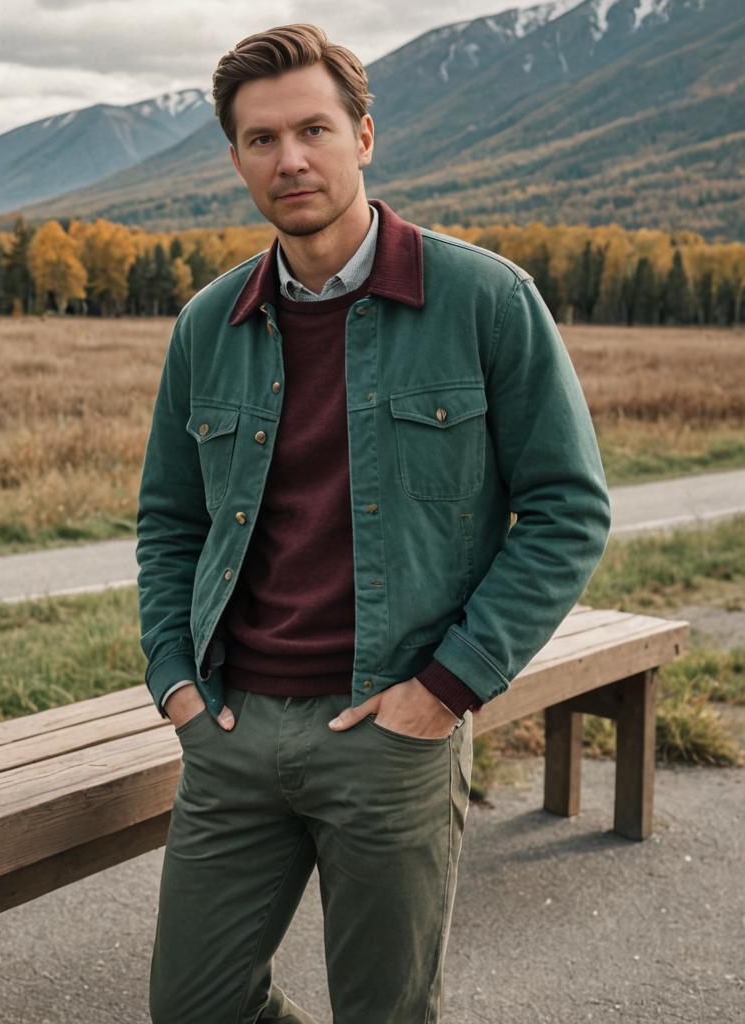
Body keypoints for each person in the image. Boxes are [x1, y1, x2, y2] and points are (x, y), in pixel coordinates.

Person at [135, 22, 611, 1024]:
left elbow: (567, 509)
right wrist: (174, 679)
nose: (290, 158)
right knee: (193, 1005)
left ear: (364, 135)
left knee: (386, 1012)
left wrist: (442, 692)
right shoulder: (207, 325)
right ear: (234, 159)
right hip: (230, 727)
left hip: (391, 725)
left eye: (313, 128)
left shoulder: (483, 299)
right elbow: (170, 520)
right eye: (261, 140)